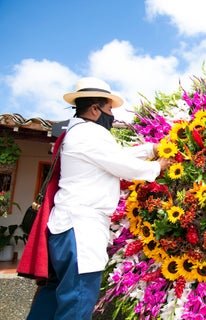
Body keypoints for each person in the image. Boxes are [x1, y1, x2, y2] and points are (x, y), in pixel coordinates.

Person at [25, 77, 171, 319]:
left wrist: (149, 149)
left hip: (67, 227)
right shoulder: (91, 133)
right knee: (77, 300)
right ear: (95, 109)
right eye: (109, 109)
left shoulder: (79, 132)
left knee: (53, 296)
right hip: (81, 230)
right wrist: (157, 167)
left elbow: (112, 156)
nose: (111, 116)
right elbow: (120, 164)